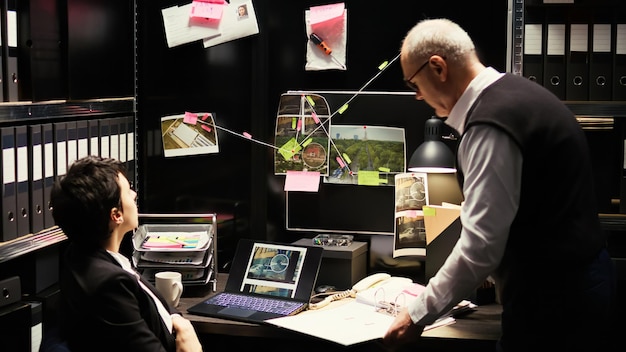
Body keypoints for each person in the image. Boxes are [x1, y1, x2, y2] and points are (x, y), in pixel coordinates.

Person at [383, 18, 616, 351]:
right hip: (583, 282)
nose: (418, 96)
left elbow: (480, 248)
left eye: (413, 84)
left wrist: (416, 314)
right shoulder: (519, 95)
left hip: (554, 304)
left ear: (438, 67)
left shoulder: (489, 127)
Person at [51, 155, 203, 352]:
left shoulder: (83, 253)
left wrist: (178, 320)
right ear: (116, 215)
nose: (134, 194)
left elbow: (153, 299)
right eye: (128, 190)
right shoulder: (109, 284)